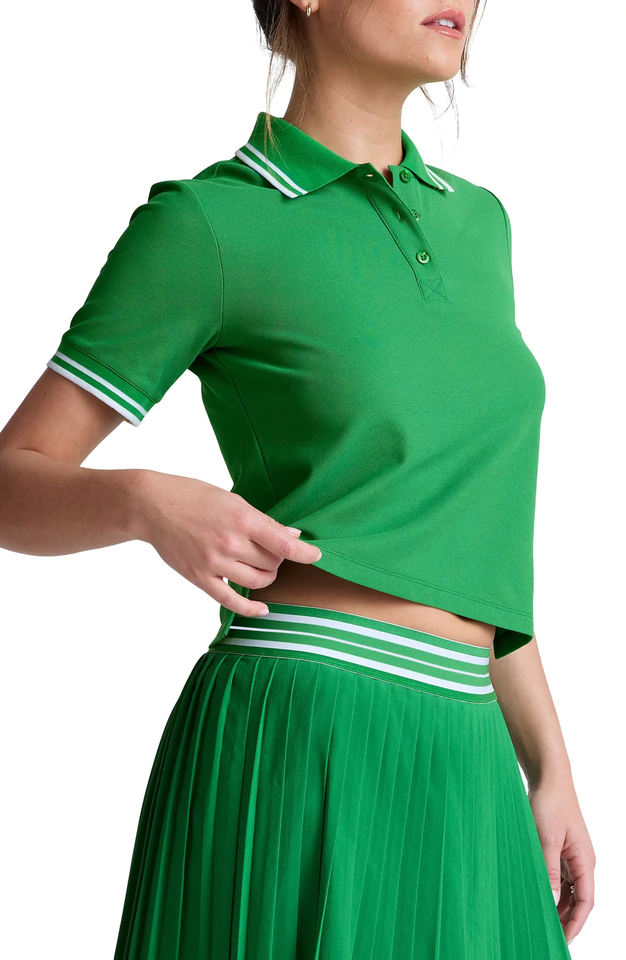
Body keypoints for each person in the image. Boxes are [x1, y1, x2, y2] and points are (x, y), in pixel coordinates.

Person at [0, 0, 595, 956]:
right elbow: (11, 481)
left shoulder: (478, 223)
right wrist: (148, 503)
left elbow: (459, 538)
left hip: (468, 741)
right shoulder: (211, 223)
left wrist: (549, 766)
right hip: (304, 732)